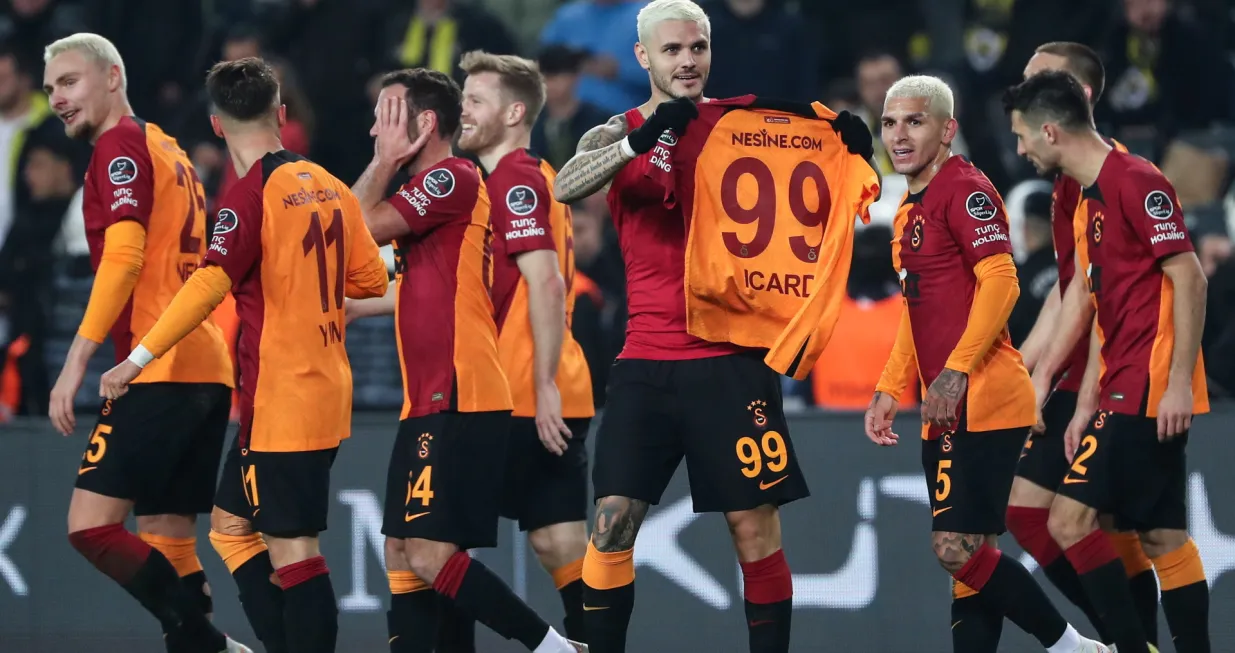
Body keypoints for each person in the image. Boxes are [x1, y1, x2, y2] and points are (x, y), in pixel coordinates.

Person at [98, 56, 389, 653]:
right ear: (281, 115)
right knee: (231, 528)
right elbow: (369, 280)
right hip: (324, 388)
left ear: (216, 124)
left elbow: (208, 284)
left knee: (292, 548)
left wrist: (138, 357)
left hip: (284, 396)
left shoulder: (246, 195)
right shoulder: (329, 183)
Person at [552, 1, 807, 651]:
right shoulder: (614, 132)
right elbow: (566, 186)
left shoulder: (745, 129)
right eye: (671, 50)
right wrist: (644, 136)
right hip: (645, 361)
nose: (686, 59)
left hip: (730, 358)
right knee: (610, 524)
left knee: (753, 528)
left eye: (697, 47)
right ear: (642, 57)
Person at [863, 74, 1109, 653]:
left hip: (984, 398)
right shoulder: (909, 210)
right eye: (890, 123)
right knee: (971, 557)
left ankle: (1074, 648)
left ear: (947, 130)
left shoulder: (965, 189)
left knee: (953, 549)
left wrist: (953, 371)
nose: (898, 135)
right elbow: (915, 309)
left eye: (914, 122)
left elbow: (1002, 281)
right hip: (946, 406)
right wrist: (890, 385)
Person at [346, 67, 585, 653]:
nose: (377, 127)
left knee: (431, 553)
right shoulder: (441, 194)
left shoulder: (452, 177)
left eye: (389, 115)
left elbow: (348, 233)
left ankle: (555, 649)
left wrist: (381, 162)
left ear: (424, 124)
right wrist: (365, 305)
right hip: (427, 394)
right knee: (405, 550)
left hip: (460, 390)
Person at [41, 32, 249, 653]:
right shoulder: (169, 147)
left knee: (90, 527)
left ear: (112, 77)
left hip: (156, 368)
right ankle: (208, 643)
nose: (57, 98)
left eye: (69, 82)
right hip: (203, 366)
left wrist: (76, 362)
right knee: (167, 538)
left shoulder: (120, 146)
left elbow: (126, 258)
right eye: (50, 88)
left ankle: (212, 644)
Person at [1006, 70, 1212, 653]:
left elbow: (1190, 279)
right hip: (1120, 385)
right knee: (1161, 533)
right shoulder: (1089, 196)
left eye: (1023, 137)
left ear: (1050, 130)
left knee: (1068, 521)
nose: (1020, 149)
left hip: (1147, 388)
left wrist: (1175, 385)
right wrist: (1084, 399)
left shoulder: (1136, 180)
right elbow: (1100, 306)